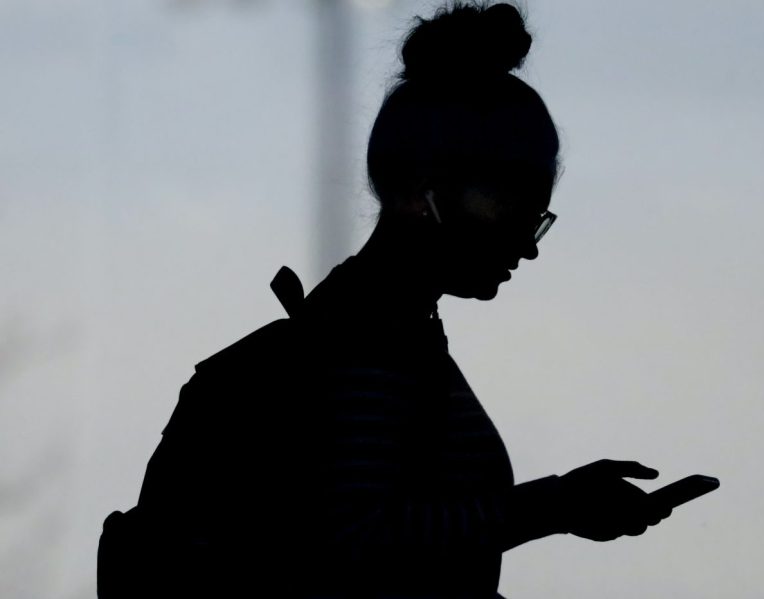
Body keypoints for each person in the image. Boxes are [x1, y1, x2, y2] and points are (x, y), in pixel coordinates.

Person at [98, 2, 672, 598]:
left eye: (538, 217)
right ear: (422, 191)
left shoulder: (377, 343)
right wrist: (554, 507)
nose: (527, 246)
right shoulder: (361, 353)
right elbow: (352, 546)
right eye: (512, 208)